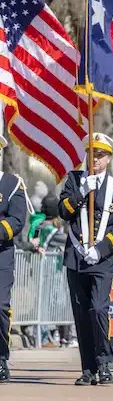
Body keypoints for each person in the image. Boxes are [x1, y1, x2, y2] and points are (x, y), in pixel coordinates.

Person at [59, 132, 113, 386]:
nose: (95, 160)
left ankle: (104, 361)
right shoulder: (74, 179)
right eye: (92, 154)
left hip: (103, 258)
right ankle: (88, 369)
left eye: (100, 155)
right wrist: (80, 193)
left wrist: (100, 249)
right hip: (76, 256)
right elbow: (63, 211)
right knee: (81, 313)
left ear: (109, 158)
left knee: (98, 309)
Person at [0, 135, 28, 383]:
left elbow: (18, 220)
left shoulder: (11, 183)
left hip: (1, 254)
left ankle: (0, 358)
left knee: (0, 306)